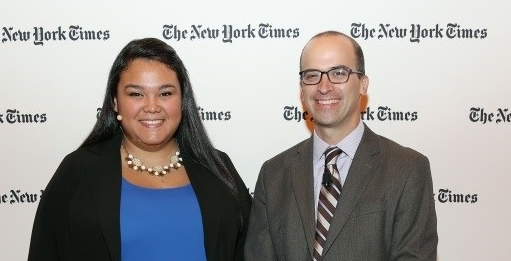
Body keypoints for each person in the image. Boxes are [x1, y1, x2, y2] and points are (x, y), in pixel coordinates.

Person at [28, 38, 252, 261]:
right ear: (115, 102)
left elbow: (250, 251)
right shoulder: (79, 172)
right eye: (136, 94)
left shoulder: (217, 168)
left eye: (165, 93)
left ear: (182, 100)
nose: (152, 107)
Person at [244, 31, 438, 260]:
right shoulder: (273, 174)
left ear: (363, 84)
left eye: (338, 73)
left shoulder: (406, 169)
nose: (324, 86)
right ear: (302, 88)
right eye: (312, 75)